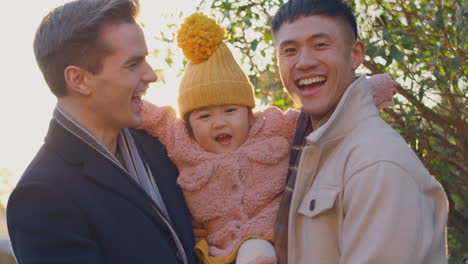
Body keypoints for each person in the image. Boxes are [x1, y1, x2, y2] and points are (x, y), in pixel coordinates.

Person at [140, 13, 397, 264]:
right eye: (204, 116)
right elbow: (150, 115)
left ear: (250, 114)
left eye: (231, 111)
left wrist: (374, 89)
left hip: (276, 236)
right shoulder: (182, 141)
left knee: (257, 251)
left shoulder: (272, 126)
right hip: (220, 249)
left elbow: (326, 115)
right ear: (188, 124)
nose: (219, 122)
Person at [6, 0, 198, 263]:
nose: (151, 75)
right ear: (79, 80)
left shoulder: (158, 147)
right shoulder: (41, 197)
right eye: (133, 64)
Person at [270, 0, 449, 263]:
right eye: (290, 50)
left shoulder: (377, 162)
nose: (304, 62)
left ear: (355, 54)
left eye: (320, 45)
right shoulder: (307, 151)